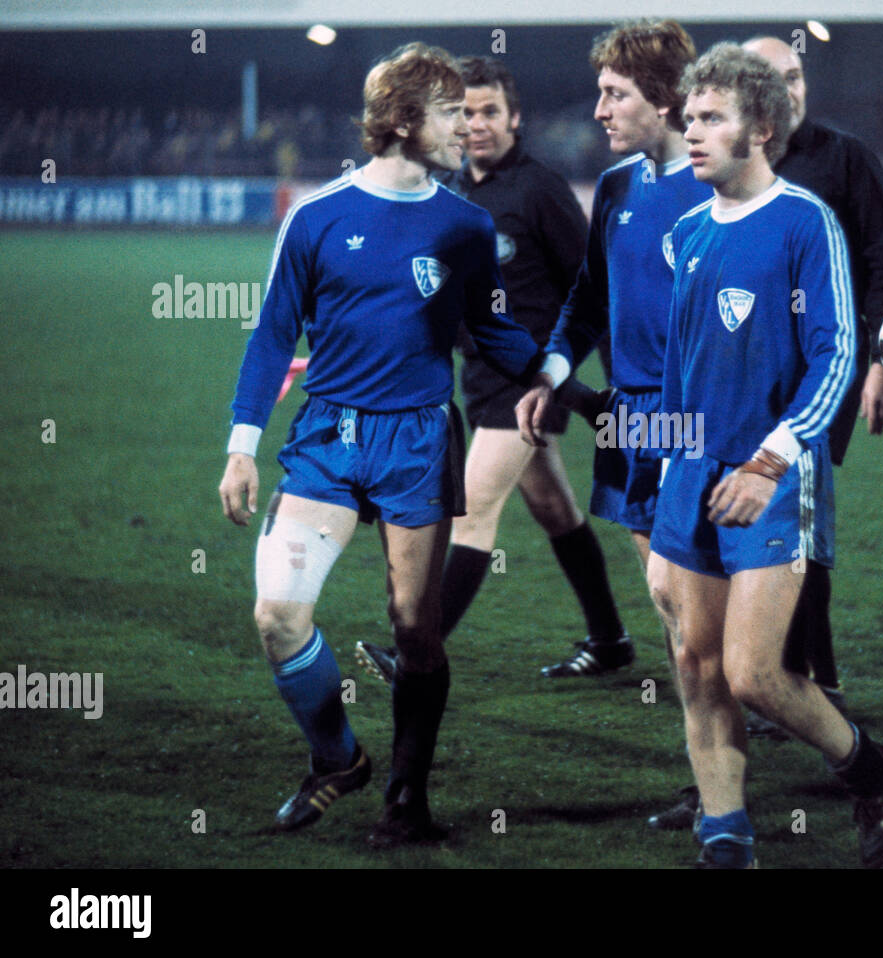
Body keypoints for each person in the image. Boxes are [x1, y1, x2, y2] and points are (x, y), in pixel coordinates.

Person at [218, 43, 552, 848]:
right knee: (277, 617)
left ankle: (407, 798)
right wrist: (241, 446)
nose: (466, 128)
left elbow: (494, 332)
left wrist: (563, 381)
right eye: (450, 112)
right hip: (329, 438)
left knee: (413, 628)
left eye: (473, 113)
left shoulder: (467, 225)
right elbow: (271, 335)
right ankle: (336, 759)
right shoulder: (317, 216)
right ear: (403, 121)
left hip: (418, 439)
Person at [643, 43, 883, 868]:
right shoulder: (683, 234)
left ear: (759, 128)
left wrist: (771, 459)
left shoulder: (805, 222)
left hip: (776, 472)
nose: (692, 134)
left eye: (711, 119)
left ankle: (871, 769)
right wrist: (666, 477)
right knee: (695, 660)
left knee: (755, 674)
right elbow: (679, 368)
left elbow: (835, 356)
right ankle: (726, 829)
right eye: (688, 119)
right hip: (691, 474)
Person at [354, 56, 629, 687]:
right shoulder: (457, 192)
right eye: (464, 112)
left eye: (488, 112)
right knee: (555, 509)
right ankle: (611, 639)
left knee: (470, 511)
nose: (475, 125)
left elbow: (592, 288)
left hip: (529, 379)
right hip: (479, 380)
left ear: (515, 118)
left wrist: (586, 374)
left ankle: (416, 653)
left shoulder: (540, 191)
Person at [516, 19, 711, 677]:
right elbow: (589, 300)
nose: (599, 111)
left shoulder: (725, 189)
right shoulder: (617, 187)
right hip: (632, 416)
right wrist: (549, 372)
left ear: (664, 99)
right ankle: (721, 745)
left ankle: (771, 704)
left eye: (615, 94)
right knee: (669, 602)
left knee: (700, 596)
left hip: (703, 420)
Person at [741, 34, 883, 732]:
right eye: (776, 77)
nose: (794, 87)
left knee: (796, 517)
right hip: (747, 375)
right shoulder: (739, 161)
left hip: (822, 374)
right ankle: (786, 676)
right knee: (769, 521)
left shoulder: (844, 158)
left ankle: (815, 682)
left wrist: (879, 364)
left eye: (798, 74)